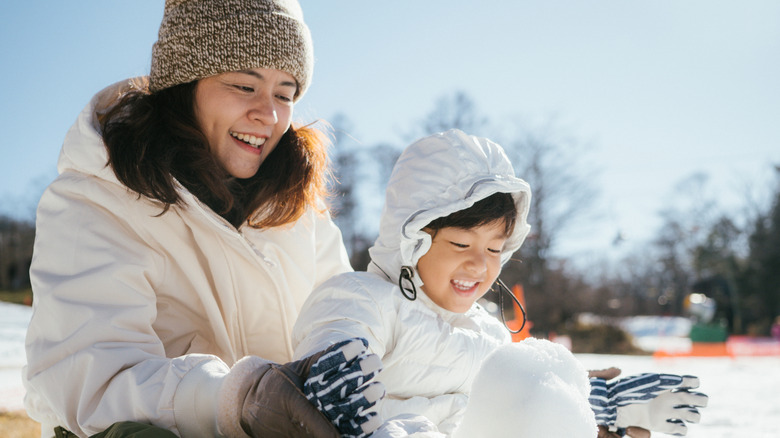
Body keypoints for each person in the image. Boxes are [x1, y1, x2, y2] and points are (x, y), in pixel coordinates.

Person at [22, 1, 381, 437]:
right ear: (184, 83)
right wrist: (236, 399)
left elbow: (342, 317)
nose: (268, 116)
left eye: (284, 94)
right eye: (244, 86)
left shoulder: (297, 210)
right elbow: (91, 385)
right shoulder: (95, 200)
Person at [293, 129, 708, 437]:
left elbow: (510, 407)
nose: (479, 264)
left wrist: (584, 404)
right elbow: (332, 355)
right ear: (411, 239)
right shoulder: (362, 298)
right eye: (460, 243)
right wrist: (339, 378)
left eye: (495, 250)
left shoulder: (489, 333)